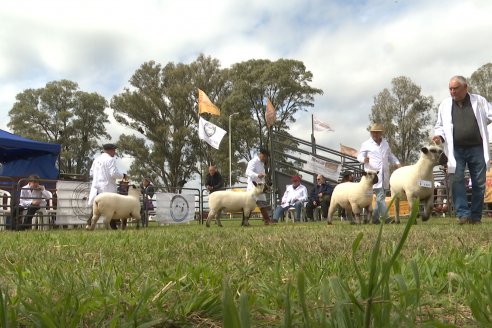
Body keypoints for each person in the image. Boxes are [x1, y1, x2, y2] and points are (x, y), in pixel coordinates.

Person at [433, 75, 492, 225]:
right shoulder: (445, 105)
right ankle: (463, 215)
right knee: (456, 180)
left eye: (455, 88)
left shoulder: (479, 101)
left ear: (465, 87)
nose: (452, 91)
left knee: (479, 183)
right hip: (455, 150)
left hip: (477, 148)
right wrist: (439, 136)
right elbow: (439, 125)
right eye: (450, 89)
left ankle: (476, 216)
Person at [357, 123, 401, 224]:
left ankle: (375, 219)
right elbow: (359, 156)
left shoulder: (385, 143)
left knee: (380, 198)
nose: (375, 134)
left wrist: (397, 162)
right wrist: (364, 159)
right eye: (373, 132)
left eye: (377, 132)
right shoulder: (366, 144)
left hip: (384, 174)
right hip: (372, 176)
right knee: (380, 197)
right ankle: (386, 218)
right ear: (371, 133)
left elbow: (390, 155)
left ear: (380, 133)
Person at [87, 143, 126, 229]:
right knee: (110, 208)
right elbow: (113, 173)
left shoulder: (96, 160)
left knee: (96, 207)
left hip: (96, 187)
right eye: (114, 150)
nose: (114, 152)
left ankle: (89, 224)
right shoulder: (110, 160)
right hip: (106, 188)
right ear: (109, 150)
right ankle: (114, 227)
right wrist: (122, 176)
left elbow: (91, 173)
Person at [246, 148, 273, 225]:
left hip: (260, 187)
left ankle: (267, 220)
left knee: (263, 204)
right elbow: (248, 172)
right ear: (261, 154)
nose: (265, 158)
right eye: (265, 156)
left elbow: (262, 175)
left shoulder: (261, 163)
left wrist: (265, 181)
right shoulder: (253, 161)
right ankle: (245, 221)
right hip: (253, 187)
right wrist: (257, 175)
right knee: (250, 205)